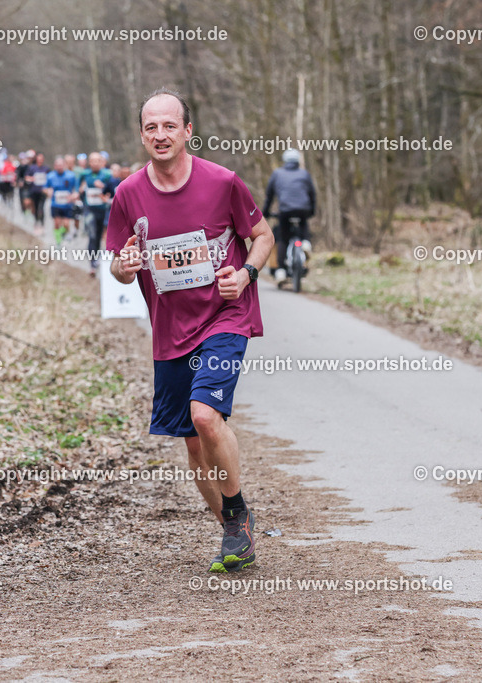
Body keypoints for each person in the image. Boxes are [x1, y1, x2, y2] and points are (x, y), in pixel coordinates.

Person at [107, 88, 274, 573]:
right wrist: (125, 265)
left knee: (205, 415)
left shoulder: (222, 183)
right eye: (151, 128)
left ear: (187, 131)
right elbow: (117, 266)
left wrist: (245, 275)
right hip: (170, 329)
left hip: (225, 316)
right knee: (195, 445)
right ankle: (234, 530)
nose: (161, 135)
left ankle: (237, 512)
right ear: (142, 135)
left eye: (169, 126)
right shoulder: (127, 195)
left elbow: (261, 237)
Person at [262, 148, 316, 282]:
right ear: (297, 161)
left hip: (285, 211)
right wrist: (311, 211)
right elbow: (312, 195)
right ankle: (305, 243)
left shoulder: (277, 174)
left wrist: (266, 213)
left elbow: (269, 196)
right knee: (303, 225)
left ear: (285, 161)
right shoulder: (304, 174)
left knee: (282, 238)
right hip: (303, 209)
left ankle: (280, 270)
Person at [79, 151, 115, 276]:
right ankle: (92, 263)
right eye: (92, 161)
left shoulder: (106, 175)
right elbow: (79, 190)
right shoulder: (84, 174)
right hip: (89, 210)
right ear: (89, 162)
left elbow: (112, 189)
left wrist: (103, 186)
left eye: (97, 161)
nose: (94, 163)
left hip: (103, 210)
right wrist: (81, 191)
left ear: (101, 162)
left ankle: (99, 257)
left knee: (100, 235)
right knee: (92, 235)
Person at [46, 156, 78, 245]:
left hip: (67, 204)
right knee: (56, 223)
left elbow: (75, 189)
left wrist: (74, 196)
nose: (59, 167)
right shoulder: (50, 176)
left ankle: (62, 234)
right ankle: (58, 241)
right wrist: (48, 192)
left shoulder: (71, 176)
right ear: (54, 166)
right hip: (55, 204)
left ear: (64, 165)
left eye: (61, 165)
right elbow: (45, 188)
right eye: (57, 165)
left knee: (66, 224)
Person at [25, 153, 51, 234]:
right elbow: (26, 177)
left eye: (41, 158)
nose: (40, 160)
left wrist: (49, 189)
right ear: (36, 159)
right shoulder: (32, 168)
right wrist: (31, 179)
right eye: (38, 158)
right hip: (34, 191)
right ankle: (36, 223)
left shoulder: (46, 169)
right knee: (35, 208)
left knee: (42, 208)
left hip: (43, 192)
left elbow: (50, 179)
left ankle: (42, 225)